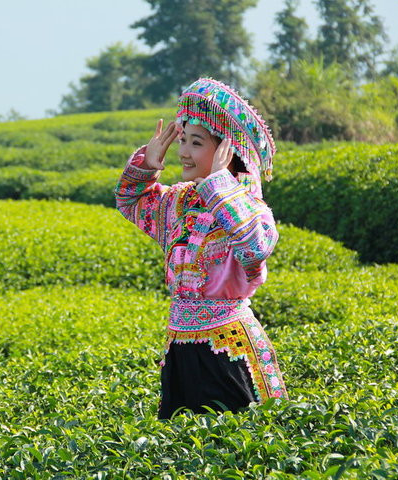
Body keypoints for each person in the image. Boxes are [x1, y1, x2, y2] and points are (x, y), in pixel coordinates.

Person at [114, 77, 288, 420]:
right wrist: (147, 163)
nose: (182, 152)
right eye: (182, 141)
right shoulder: (178, 201)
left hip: (229, 350)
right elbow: (130, 202)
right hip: (179, 348)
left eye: (195, 143)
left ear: (226, 151)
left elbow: (254, 249)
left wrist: (219, 183)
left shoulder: (249, 208)